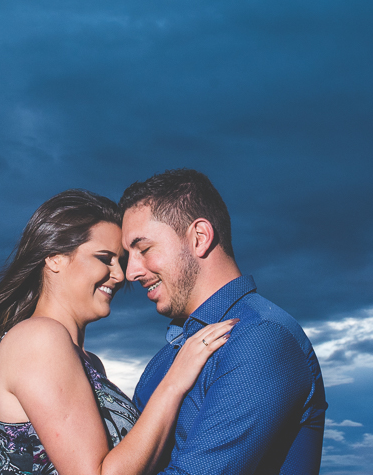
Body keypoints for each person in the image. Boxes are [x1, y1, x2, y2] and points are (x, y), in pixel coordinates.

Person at [0, 188, 237, 475]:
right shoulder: (38, 339)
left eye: (119, 262)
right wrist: (175, 382)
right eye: (104, 258)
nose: (120, 275)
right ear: (55, 257)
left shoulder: (87, 362)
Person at [120, 169, 327, 475]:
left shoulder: (263, 338)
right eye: (127, 255)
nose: (130, 272)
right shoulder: (161, 365)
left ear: (199, 238)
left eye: (144, 249)